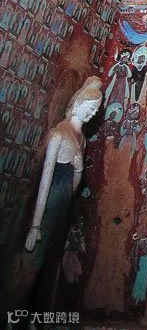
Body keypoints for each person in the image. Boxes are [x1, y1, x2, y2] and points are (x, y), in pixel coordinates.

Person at [16, 78, 103, 312]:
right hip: (47, 205)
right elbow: (45, 181)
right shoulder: (59, 135)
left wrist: (79, 169)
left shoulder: (81, 139)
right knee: (31, 264)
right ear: (78, 103)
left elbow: (74, 186)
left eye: (96, 109)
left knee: (49, 263)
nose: (93, 113)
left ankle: (31, 314)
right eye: (91, 107)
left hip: (62, 206)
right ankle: (15, 314)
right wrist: (35, 225)